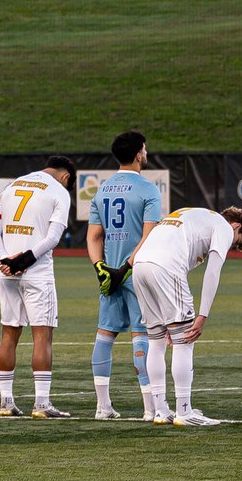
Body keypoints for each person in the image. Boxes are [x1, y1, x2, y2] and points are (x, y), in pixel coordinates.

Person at [127, 203, 242, 427]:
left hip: (140, 265)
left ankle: (161, 411)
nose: (233, 246)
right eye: (238, 241)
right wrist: (202, 316)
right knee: (185, 340)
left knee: (156, 340)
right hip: (164, 266)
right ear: (237, 225)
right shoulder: (223, 227)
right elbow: (213, 271)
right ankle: (184, 411)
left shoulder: (196, 216)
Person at [0, 154, 75, 418]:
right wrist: (25, 259)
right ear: (66, 176)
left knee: (8, 335)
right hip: (37, 272)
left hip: (7, 273)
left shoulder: (12, 186)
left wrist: (6, 260)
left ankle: (5, 403)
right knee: (42, 337)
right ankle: (42, 404)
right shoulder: (59, 191)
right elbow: (54, 237)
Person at [85, 132, 164, 421]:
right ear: (139, 154)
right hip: (137, 273)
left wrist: (101, 268)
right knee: (142, 336)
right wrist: (126, 268)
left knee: (105, 335)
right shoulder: (148, 189)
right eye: (144, 149)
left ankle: (102, 406)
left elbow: (94, 236)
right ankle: (149, 408)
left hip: (110, 274)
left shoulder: (101, 190)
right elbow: (150, 234)